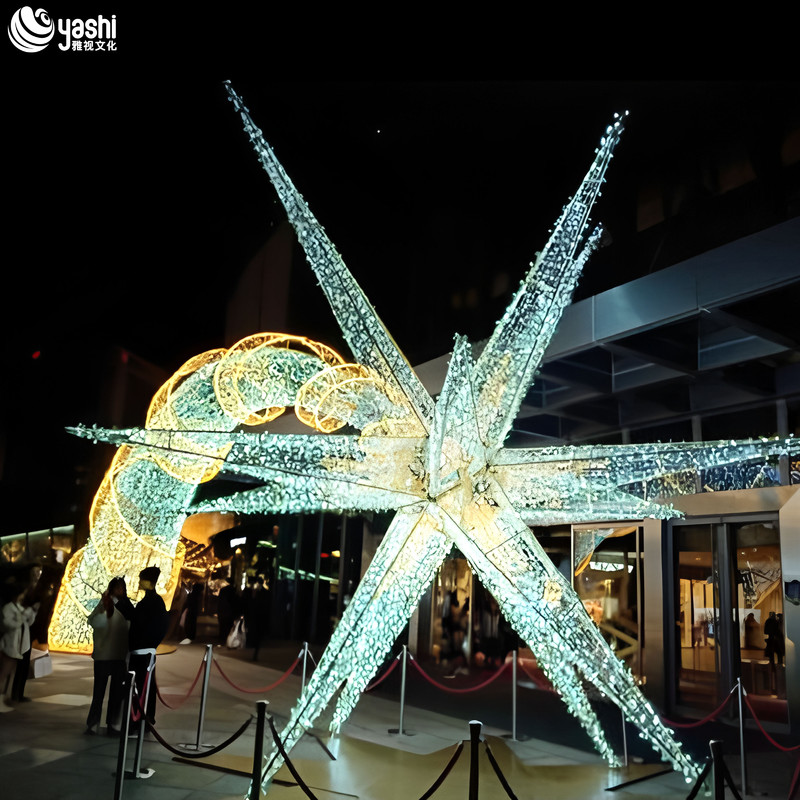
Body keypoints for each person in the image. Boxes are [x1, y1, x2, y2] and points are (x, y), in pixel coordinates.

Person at [85, 578, 130, 735]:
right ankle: (112, 724)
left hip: (103, 655)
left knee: (99, 692)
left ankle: (93, 723)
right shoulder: (125, 607)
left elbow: (92, 621)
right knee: (115, 693)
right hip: (117, 655)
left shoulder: (103, 605)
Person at [128, 566, 168, 733]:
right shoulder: (152, 602)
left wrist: (146, 643)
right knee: (145, 687)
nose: (139, 582)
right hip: (145, 651)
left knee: (141, 687)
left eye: (141, 579)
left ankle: (140, 719)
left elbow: (157, 627)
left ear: (148, 582)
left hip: (143, 652)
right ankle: (145, 718)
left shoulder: (153, 603)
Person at [0, 586, 37, 713]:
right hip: (10, 644)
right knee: (4, 673)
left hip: (20, 644)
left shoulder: (19, 607)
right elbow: (7, 624)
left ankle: (3, 698)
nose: (23, 596)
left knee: (8, 673)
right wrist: (19, 621)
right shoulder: (9, 608)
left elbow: (28, 622)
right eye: (22, 593)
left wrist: (31, 613)